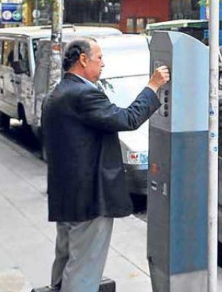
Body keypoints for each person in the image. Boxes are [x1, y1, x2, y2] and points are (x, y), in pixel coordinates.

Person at [42, 38, 169, 292]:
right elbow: (128, 118)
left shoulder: (57, 92)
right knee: (84, 270)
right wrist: (152, 86)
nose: (103, 64)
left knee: (65, 261)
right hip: (90, 199)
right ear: (83, 59)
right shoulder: (84, 93)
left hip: (67, 196)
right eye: (99, 58)